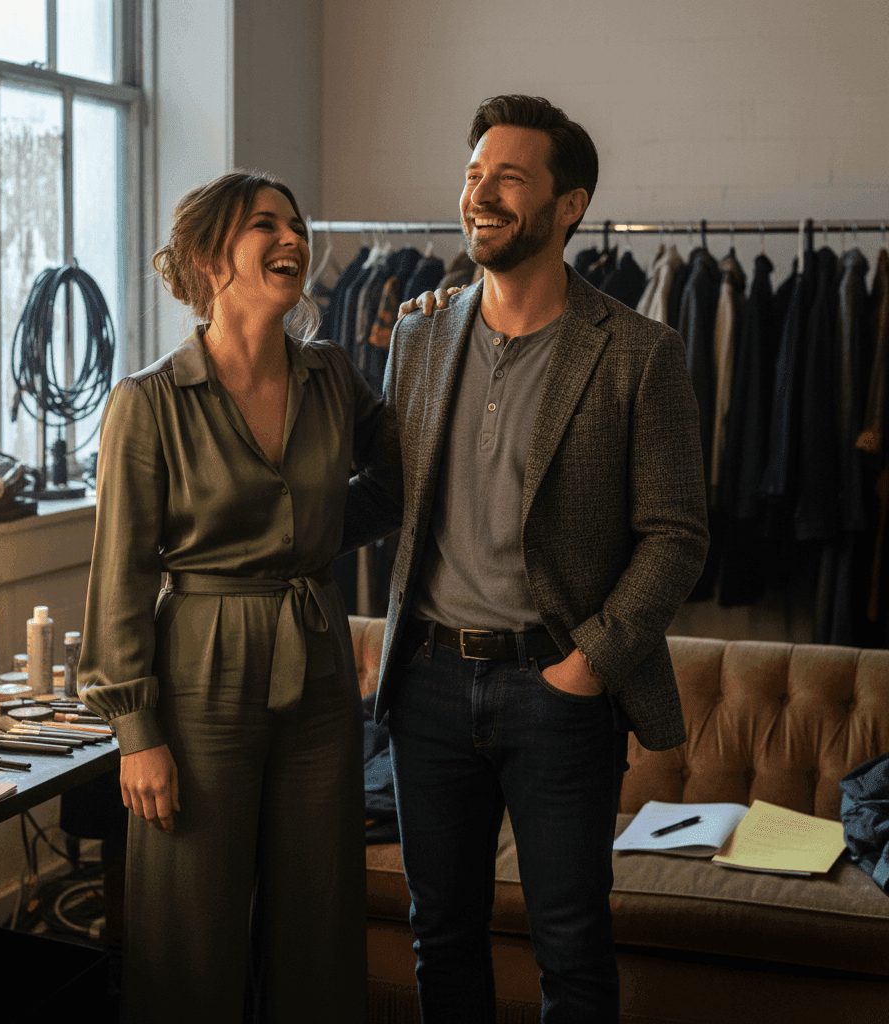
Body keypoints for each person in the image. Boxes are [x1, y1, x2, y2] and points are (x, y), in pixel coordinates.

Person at [343, 95, 709, 1022]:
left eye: (509, 177)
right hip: (424, 684)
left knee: (573, 951)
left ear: (569, 204)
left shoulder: (640, 352)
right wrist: (259, 536)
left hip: (556, 689)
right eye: (473, 175)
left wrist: (587, 667)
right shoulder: (419, 336)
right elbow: (390, 494)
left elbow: (677, 535)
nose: (482, 194)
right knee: (442, 940)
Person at [79, 170, 377, 1022]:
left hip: (319, 664)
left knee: (320, 924)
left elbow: (400, 474)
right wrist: (137, 733)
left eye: (296, 223)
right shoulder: (148, 400)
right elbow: (121, 574)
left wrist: (312, 536)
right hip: (199, 668)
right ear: (213, 258)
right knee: (189, 933)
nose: (292, 238)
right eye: (264, 225)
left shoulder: (331, 378)